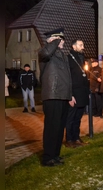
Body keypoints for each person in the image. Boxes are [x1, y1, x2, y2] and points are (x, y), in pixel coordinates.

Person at [38, 28, 72, 166]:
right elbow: (46, 52)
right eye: (60, 39)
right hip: (52, 95)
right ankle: (48, 157)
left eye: (62, 39)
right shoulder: (44, 52)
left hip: (63, 95)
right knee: (52, 127)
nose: (63, 42)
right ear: (53, 40)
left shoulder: (63, 56)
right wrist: (54, 41)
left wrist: (70, 95)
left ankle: (55, 155)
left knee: (59, 127)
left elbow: (68, 78)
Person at [65, 39, 90, 148]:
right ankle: (69, 139)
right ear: (73, 46)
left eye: (83, 45)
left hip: (82, 93)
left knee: (78, 118)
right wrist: (70, 95)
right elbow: (67, 78)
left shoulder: (81, 58)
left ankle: (76, 137)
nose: (83, 47)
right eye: (80, 45)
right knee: (71, 118)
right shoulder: (68, 59)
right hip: (73, 94)